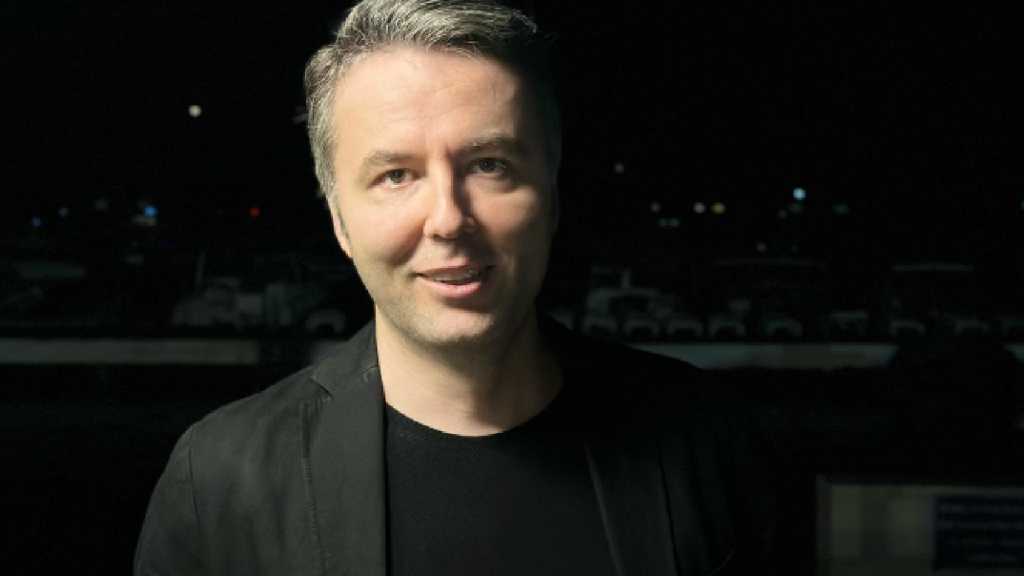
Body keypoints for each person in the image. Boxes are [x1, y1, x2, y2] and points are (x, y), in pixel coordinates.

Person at [134, 1, 777, 574]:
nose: (447, 219)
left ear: (551, 196)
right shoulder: (217, 482)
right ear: (340, 223)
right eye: (395, 175)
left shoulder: (708, 443)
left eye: (489, 165)